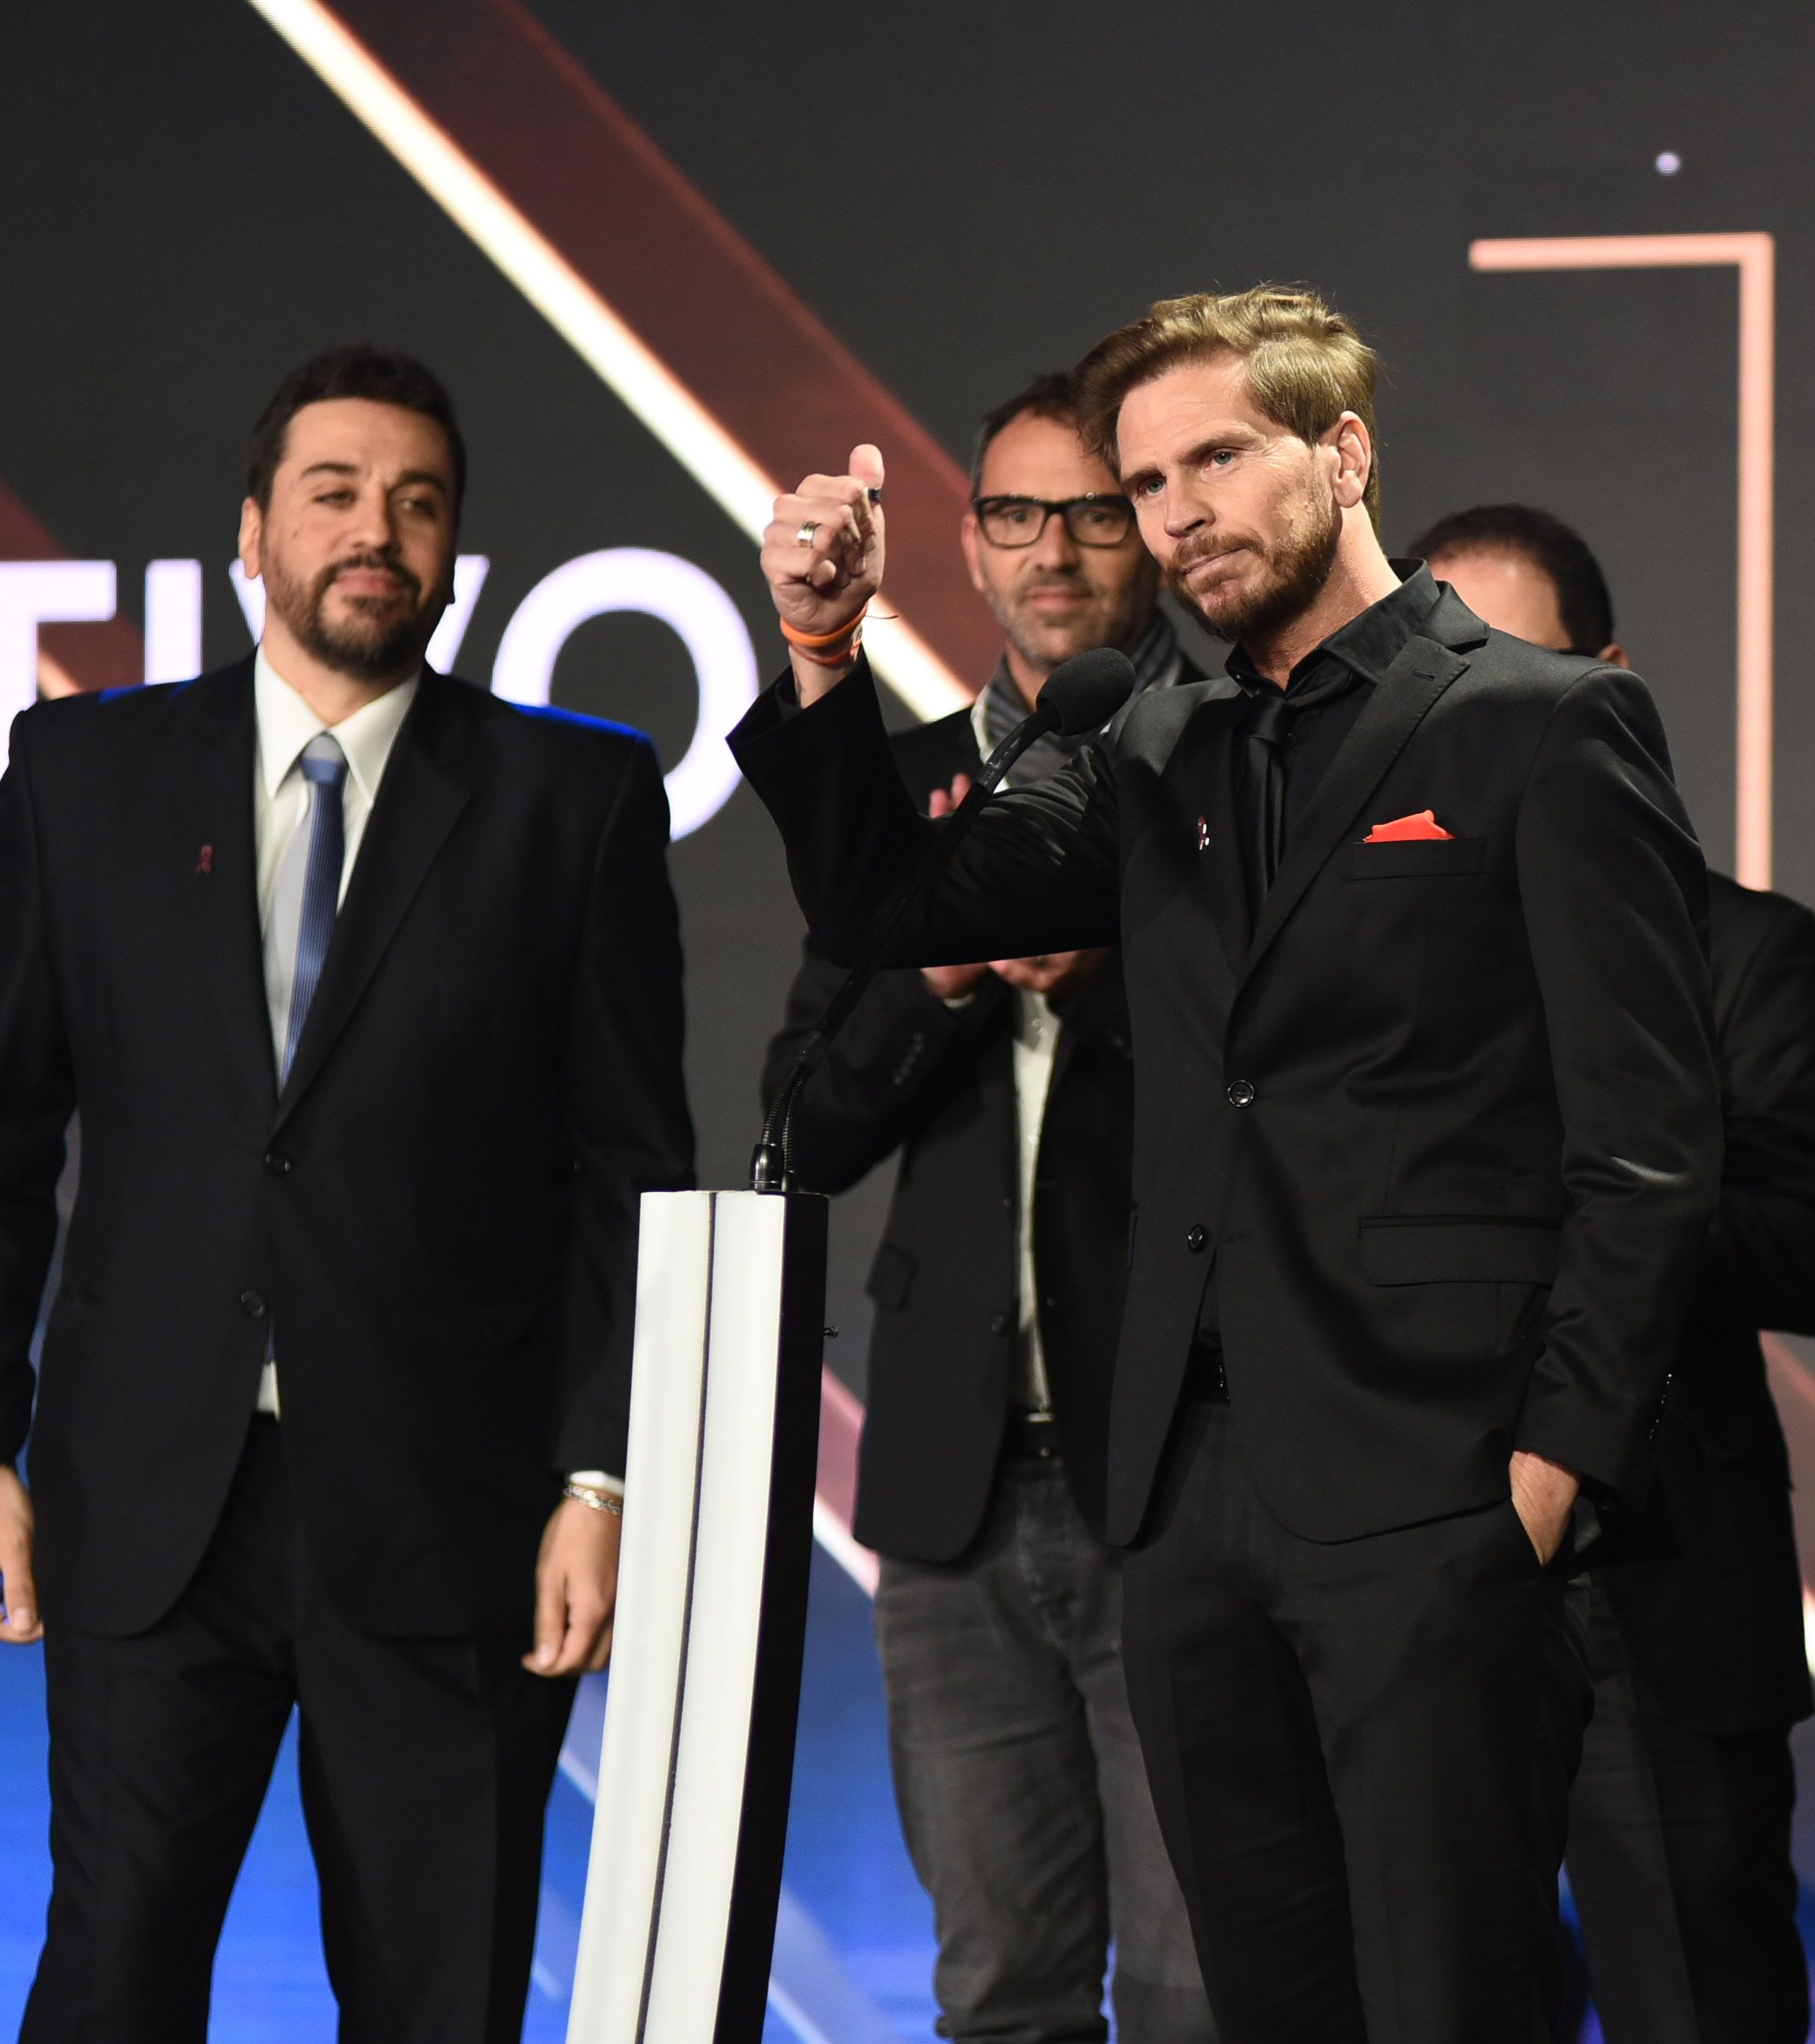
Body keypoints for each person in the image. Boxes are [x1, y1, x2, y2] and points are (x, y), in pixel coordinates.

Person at [732, 284, 1721, 2044]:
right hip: (1184, 1509)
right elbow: (899, 906)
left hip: (1436, 1499)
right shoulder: (1151, 743)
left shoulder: (1541, 721)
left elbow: (1648, 1143)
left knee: (1452, 2007)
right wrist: (823, 651)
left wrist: (1551, 1473)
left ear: (1345, 453)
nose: (1175, 513)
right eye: (1146, 482)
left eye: (1215, 461)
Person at [0, 343, 693, 2042]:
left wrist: (601, 1476)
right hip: (149, 1505)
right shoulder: (82, 776)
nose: (375, 531)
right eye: (334, 493)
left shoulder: (574, 796)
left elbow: (631, 1171)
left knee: (437, 1998)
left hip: (454, 1515)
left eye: (418, 502)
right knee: (111, 1983)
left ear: (455, 553)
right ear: (251, 533)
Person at [758, 372, 1210, 2042]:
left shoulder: (1228, 763)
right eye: (1018, 514)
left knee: (1198, 1990)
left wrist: (1107, 974)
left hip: (1179, 1471)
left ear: (1154, 529)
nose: (1056, 553)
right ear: (967, 543)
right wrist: (943, 968)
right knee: (1000, 1992)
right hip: (950, 1488)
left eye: (1096, 512)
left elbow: (1306, 1090)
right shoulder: (893, 800)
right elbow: (800, 1127)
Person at [1417, 503, 1815, 2044]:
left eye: (1508, 677)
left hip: (1653, 1581)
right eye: (1434, 679)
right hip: (1404, 1576)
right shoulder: (1340, 961)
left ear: (1603, 688)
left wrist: (1628, 1195)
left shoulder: (1735, 951)